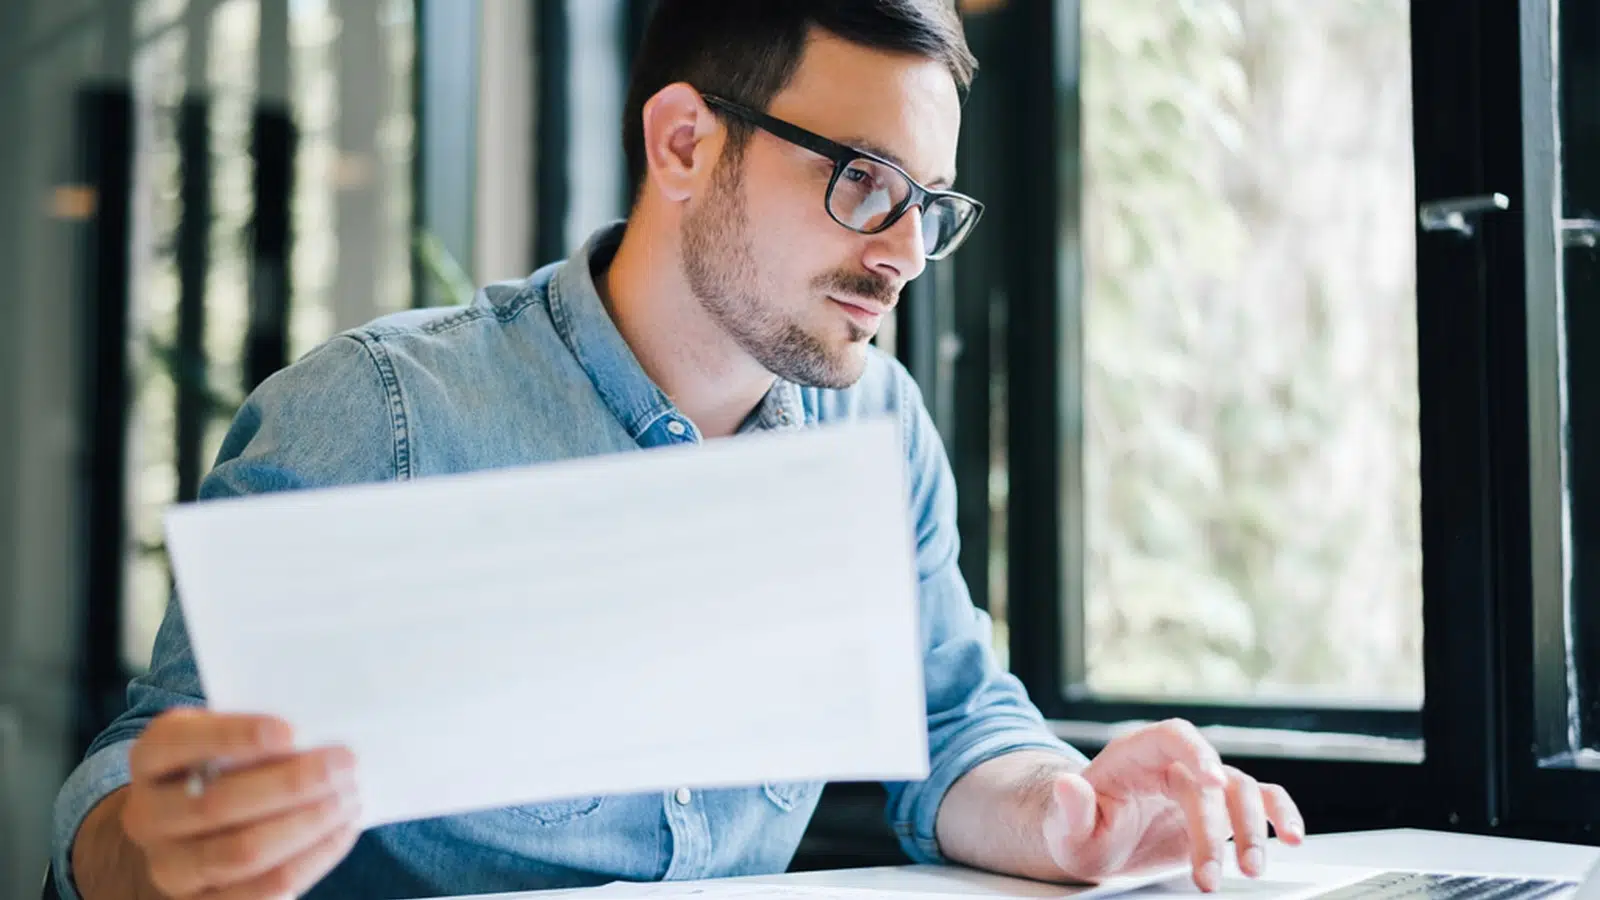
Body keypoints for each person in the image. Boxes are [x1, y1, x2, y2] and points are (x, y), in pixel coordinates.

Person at [52, 2, 1304, 898]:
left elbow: (952, 720)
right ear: (686, 143)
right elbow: (138, 785)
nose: (904, 253)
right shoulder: (380, 413)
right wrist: (147, 855)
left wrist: (1070, 814)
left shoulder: (876, 427)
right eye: (865, 181)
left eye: (929, 205)